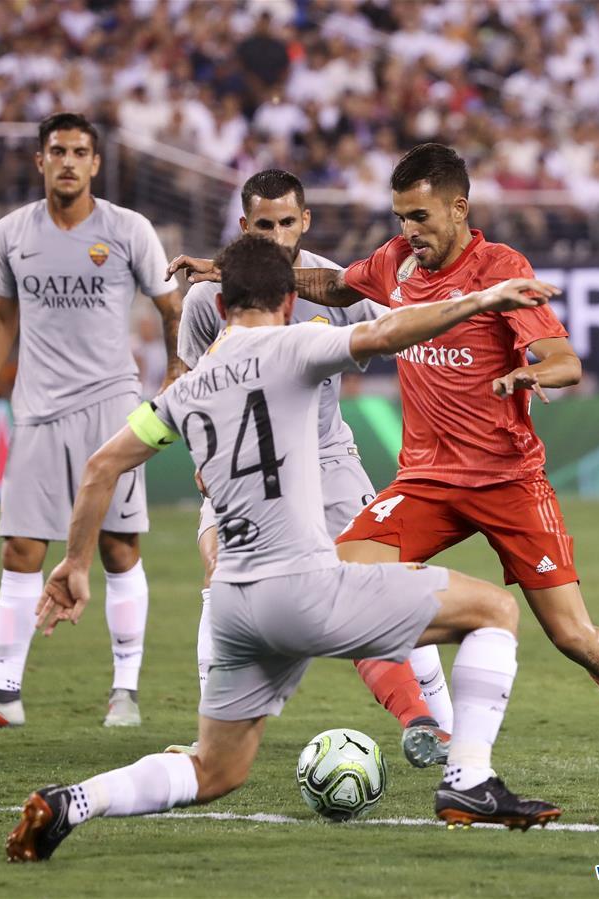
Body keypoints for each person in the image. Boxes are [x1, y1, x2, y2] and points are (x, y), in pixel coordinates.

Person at [170, 143, 599, 807]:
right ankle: (431, 735)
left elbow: (565, 359)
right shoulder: (395, 263)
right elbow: (331, 285)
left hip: (509, 482)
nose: (410, 230)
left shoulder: (501, 268)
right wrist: (227, 273)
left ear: (459, 207)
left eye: (420, 216)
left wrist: (532, 371)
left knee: (575, 637)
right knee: (337, 576)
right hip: (427, 483)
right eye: (400, 217)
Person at [5, 235, 563, 862]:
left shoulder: (187, 390)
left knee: (214, 772)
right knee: (495, 610)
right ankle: (469, 781)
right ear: (292, 299)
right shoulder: (295, 344)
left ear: (219, 307)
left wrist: (76, 563)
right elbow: (388, 333)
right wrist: (481, 298)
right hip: (303, 587)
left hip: (235, 606)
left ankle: (69, 803)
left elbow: (101, 467)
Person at [165, 169, 455, 765]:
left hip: (326, 458)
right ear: (245, 226)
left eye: (286, 223)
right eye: (263, 225)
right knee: (220, 577)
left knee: (384, 580)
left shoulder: (332, 290)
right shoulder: (203, 301)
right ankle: (210, 741)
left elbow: (399, 337)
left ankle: (442, 729)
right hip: (243, 469)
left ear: (306, 223)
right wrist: (204, 455)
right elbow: (189, 382)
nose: (275, 235)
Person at [0, 112, 183, 730]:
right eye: (57, 151)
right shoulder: (13, 232)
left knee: (119, 547)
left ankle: (124, 692)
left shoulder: (128, 229)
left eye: (79, 152)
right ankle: (2, 694)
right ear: (40, 160)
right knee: (20, 548)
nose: (68, 161)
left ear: (95, 164)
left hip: (110, 405)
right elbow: (2, 319)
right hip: (38, 411)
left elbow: (172, 306)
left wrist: (177, 374)